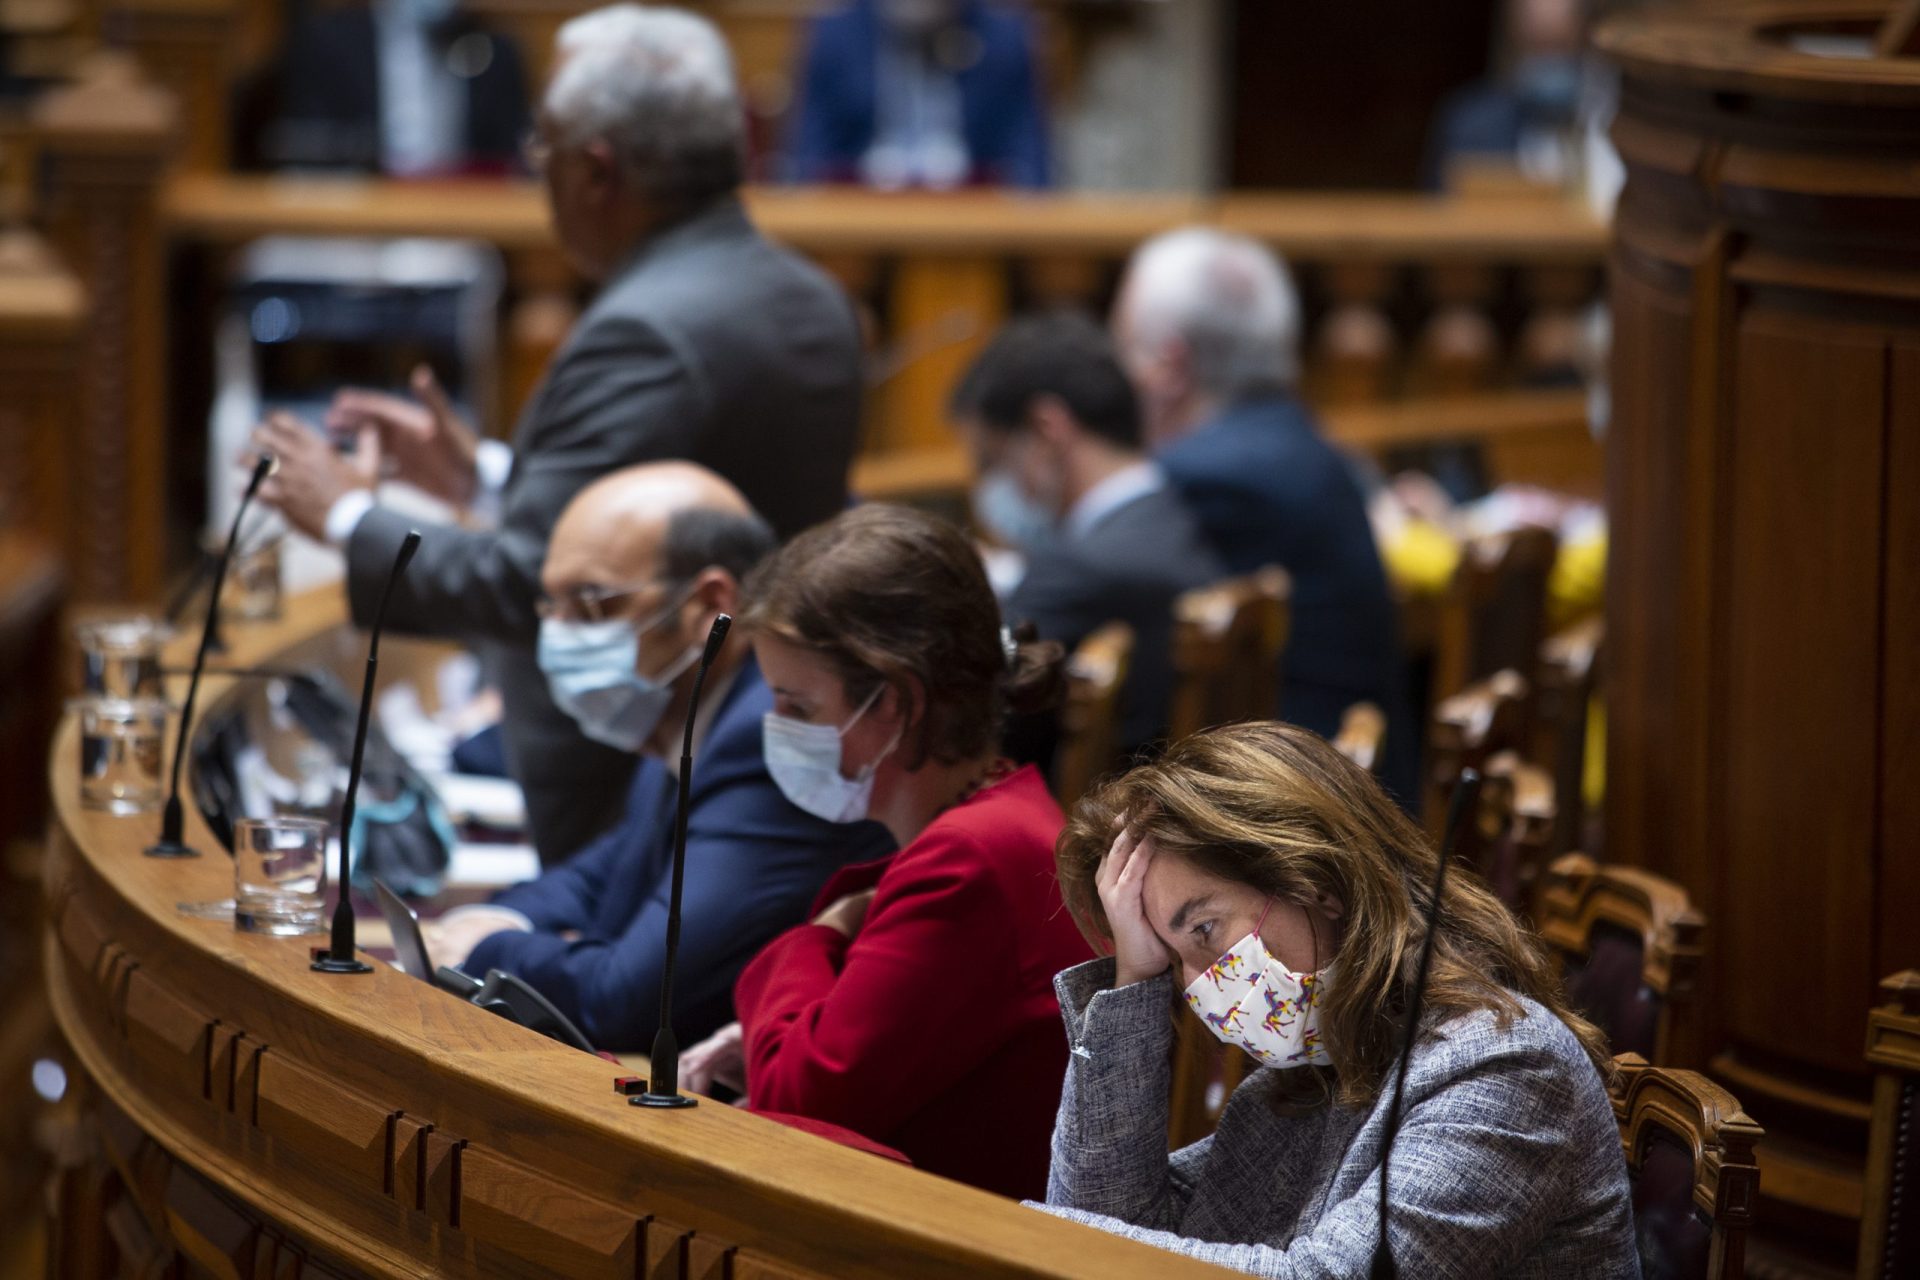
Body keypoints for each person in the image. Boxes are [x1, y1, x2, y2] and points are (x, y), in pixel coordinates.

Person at [250, 4, 869, 861]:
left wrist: (351, 515)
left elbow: (528, 582)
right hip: (759, 761)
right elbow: (688, 504)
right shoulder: (808, 294)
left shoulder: (646, 328)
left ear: (597, 171)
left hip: (631, 794)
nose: (535, 174)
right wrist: (489, 481)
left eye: (543, 152)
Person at [1038, 721, 1639, 1274]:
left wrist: (1043, 1229)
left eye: (1204, 931)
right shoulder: (1304, 1078)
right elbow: (1112, 1223)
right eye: (1174, 963)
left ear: (1318, 881)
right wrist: (1136, 978)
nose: (1198, 986)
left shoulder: (1507, 1067)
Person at [679, 505, 1091, 1198]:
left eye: (797, 707)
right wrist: (764, 1035)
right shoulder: (994, 818)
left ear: (894, 705)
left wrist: (824, 930)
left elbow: (796, 1104)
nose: (772, 729)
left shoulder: (972, 862)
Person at [424, 463, 894, 1050]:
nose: (560, 633)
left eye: (591, 603)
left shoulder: (769, 736)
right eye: (553, 605)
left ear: (709, 606)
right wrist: (504, 919)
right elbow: (609, 868)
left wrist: (481, 950)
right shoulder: (682, 706)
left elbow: (631, 998)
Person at [1112, 227, 1416, 805]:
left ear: (1169, 365)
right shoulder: (1295, 439)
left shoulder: (1214, 477)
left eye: (1122, 347)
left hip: (1311, 827)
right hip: (1343, 789)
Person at [951, 312, 1223, 761]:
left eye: (992, 461)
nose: (991, 486)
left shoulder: (1080, 569)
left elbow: (964, 721)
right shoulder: (1173, 518)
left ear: (1045, 430)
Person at [240, 0, 530, 175]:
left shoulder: (494, 50)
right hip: (355, 221)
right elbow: (308, 146)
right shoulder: (329, 42)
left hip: (462, 223)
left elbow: (511, 160)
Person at [786, 0, 1050, 189]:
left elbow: (1031, 164)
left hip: (978, 226)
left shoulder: (1005, 36)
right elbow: (809, 160)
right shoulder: (833, 34)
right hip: (858, 224)